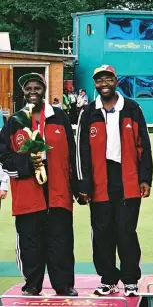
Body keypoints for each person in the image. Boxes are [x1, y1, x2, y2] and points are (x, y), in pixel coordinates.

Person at [76, 65, 153, 297]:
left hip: (127, 179)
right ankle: (108, 279)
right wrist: (83, 185)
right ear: (95, 84)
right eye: (99, 80)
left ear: (116, 80)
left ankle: (130, 280)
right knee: (101, 233)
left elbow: (144, 146)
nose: (104, 83)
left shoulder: (132, 108)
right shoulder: (88, 112)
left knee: (126, 232)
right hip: (99, 182)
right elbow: (81, 151)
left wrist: (145, 178)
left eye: (108, 78)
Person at [0, 73, 78, 296]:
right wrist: (27, 163)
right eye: (28, 88)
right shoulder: (15, 121)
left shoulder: (59, 117)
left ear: (44, 90)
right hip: (27, 191)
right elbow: (3, 155)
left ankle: (63, 285)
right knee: (30, 241)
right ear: (23, 92)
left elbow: (72, 154)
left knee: (61, 239)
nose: (32, 91)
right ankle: (32, 284)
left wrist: (77, 186)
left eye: (37, 87)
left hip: (58, 191)